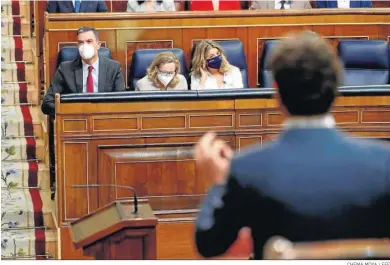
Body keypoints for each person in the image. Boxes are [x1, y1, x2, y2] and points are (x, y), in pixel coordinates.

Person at [194, 32, 390, 259]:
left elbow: (209, 244)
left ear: (276, 91)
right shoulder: (383, 164)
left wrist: (218, 184)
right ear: (336, 86)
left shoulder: (247, 168)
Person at [41, 27, 125, 116]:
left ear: (98, 45)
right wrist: (74, 112)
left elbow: (122, 102)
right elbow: (47, 104)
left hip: (104, 120)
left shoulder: (114, 68)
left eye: (89, 41)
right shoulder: (65, 69)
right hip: (75, 121)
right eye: (81, 42)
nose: (85, 46)